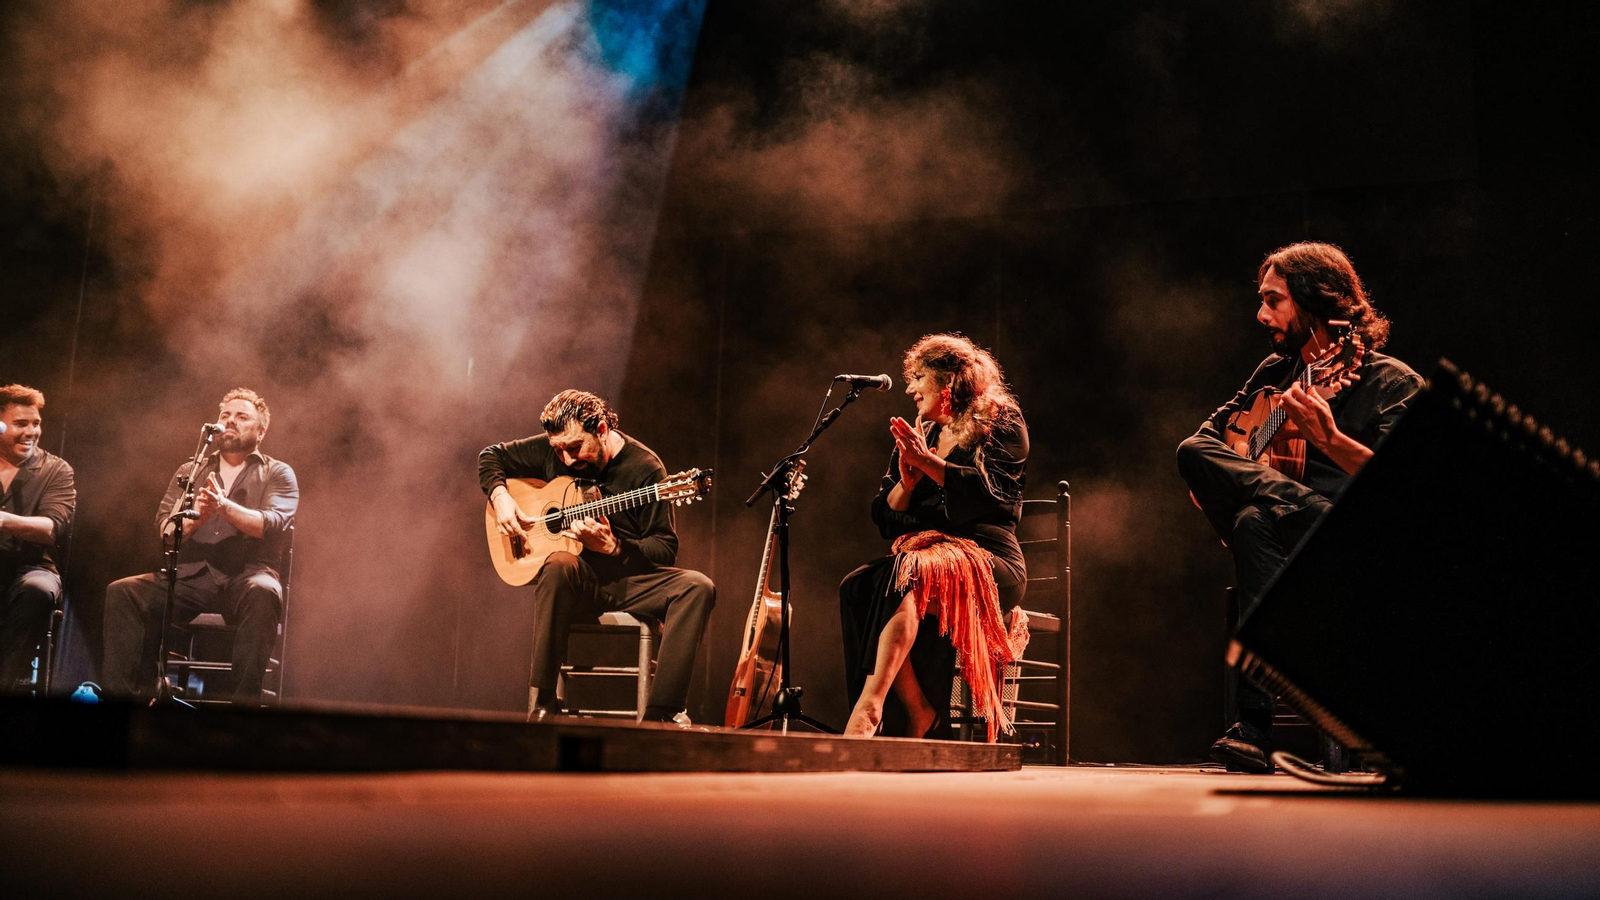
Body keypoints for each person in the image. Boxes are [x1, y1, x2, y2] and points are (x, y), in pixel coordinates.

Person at [1177, 241, 1422, 771]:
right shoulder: (1276, 371)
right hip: (1286, 547)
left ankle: (1253, 729)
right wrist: (1237, 474)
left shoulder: (1392, 382)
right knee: (1203, 464)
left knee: (1250, 518)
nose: (1260, 314)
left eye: (1274, 300)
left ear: (1316, 301)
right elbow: (1206, 443)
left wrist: (1330, 441)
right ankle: (1252, 731)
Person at [479, 389, 715, 724]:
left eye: (575, 448)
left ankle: (660, 715)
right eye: (558, 449)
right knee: (559, 563)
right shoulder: (558, 447)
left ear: (602, 430)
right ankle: (544, 704)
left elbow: (664, 548)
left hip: (627, 580)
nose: (566, 459)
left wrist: (615, 547)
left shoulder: (645, 468)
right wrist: (500, 496)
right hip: (576, 582)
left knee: (697, 587)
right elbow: (490, 456)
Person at [839, 334, 1030, 740]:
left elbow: (988, 495)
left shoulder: (1001, 422)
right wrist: (907, 484)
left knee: (905, 571)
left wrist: (927, 463)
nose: (909, 388)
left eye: (918, 377)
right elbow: (885, 516)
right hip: (928, 556)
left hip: (990, 561)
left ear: (949, 381)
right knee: (857, 586)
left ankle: (870, 708)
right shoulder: (921, 434)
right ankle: (917, 710)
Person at [103, 388, 298, 705]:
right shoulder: (190, 471)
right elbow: (167, 531)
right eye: (225, 415)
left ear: (261, 431)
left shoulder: (278, 472)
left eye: (242, 416)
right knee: (123, 592)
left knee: (265, 592)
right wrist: (197, 519)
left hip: (248, 576)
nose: (230, 421)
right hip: (194, 577)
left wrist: (224, 508)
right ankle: (125, 705)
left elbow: (272, 523)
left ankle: (243, 709)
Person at [0, 384, 76, 695]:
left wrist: (4, 520)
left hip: (31, 566)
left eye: (36, 423)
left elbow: (51, 527)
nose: (31, 432)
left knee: (38, 590)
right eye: (21, 424)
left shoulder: (56, 470)